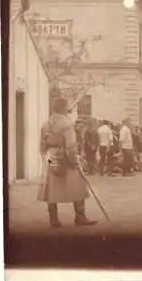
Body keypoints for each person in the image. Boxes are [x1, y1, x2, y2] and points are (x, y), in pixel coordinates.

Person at [37, 97, 97, 227]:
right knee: (79, 184)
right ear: (64, 109)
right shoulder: (67, 124)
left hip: (49, 156)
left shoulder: (45, 124)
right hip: (64, 156)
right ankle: (80, 216)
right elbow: (70, 145)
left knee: (51, 187)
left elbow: (41, 146)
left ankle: (53, 219)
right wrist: (76, 160)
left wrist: (46, 159)